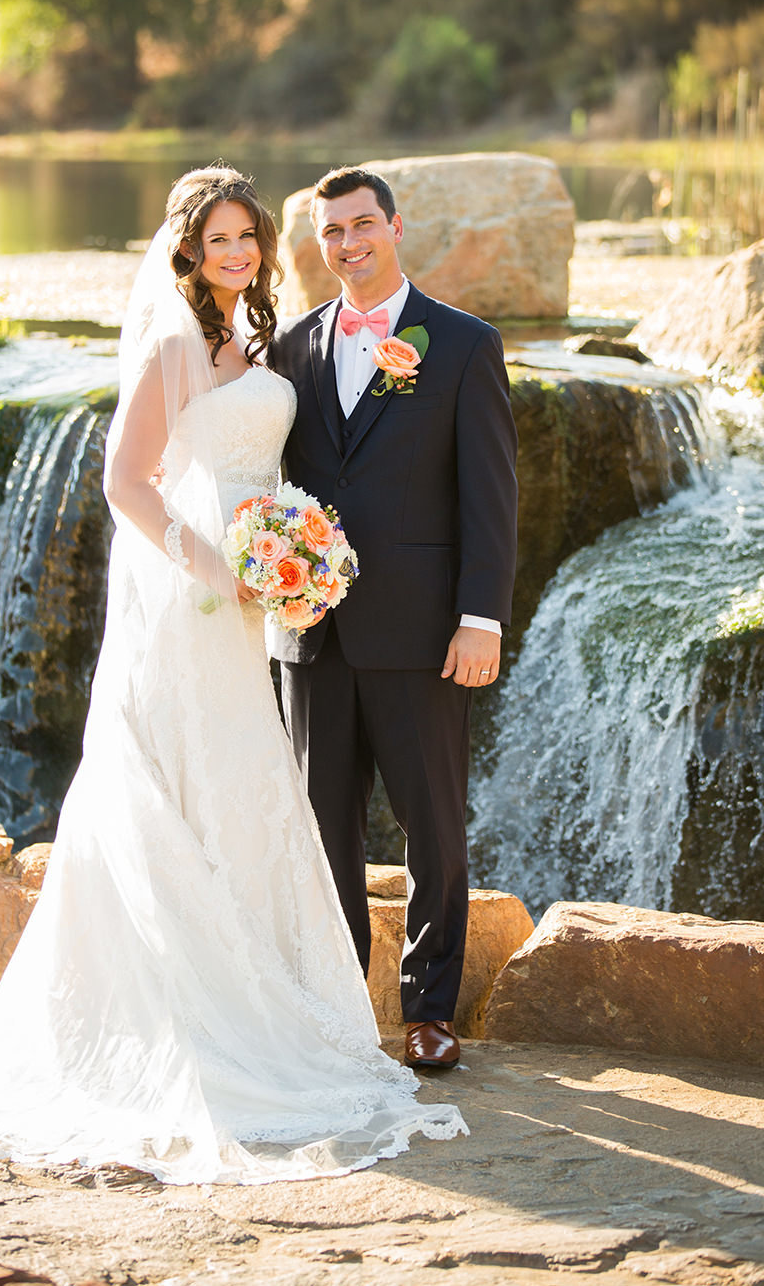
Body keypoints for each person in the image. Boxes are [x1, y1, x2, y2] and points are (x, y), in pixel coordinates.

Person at [0, 166, 467, 1186]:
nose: (236, 253)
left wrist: (292, 555)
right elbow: (126, 480)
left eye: (248, 237)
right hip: (198, 592)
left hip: (264, 590)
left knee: (248, 783)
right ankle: (186, 1016)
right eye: (218, 240)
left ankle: (276, 1003)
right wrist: (210, 561)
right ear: (187, 246)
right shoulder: (173, 336)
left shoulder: (268, 338)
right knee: (196, 776)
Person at [269, 166, 518, 1074]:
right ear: (319, 245)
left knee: (433, 826)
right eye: (332, 232)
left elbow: (490, 498)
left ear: (396, 227)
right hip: (311, 633)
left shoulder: (460, 344)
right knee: (321, 829)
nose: (348, 244)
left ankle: (429, 1010)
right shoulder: (290, 350)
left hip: (421, 633)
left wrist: (480, 616)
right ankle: (337, 1010)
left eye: (362, 225)